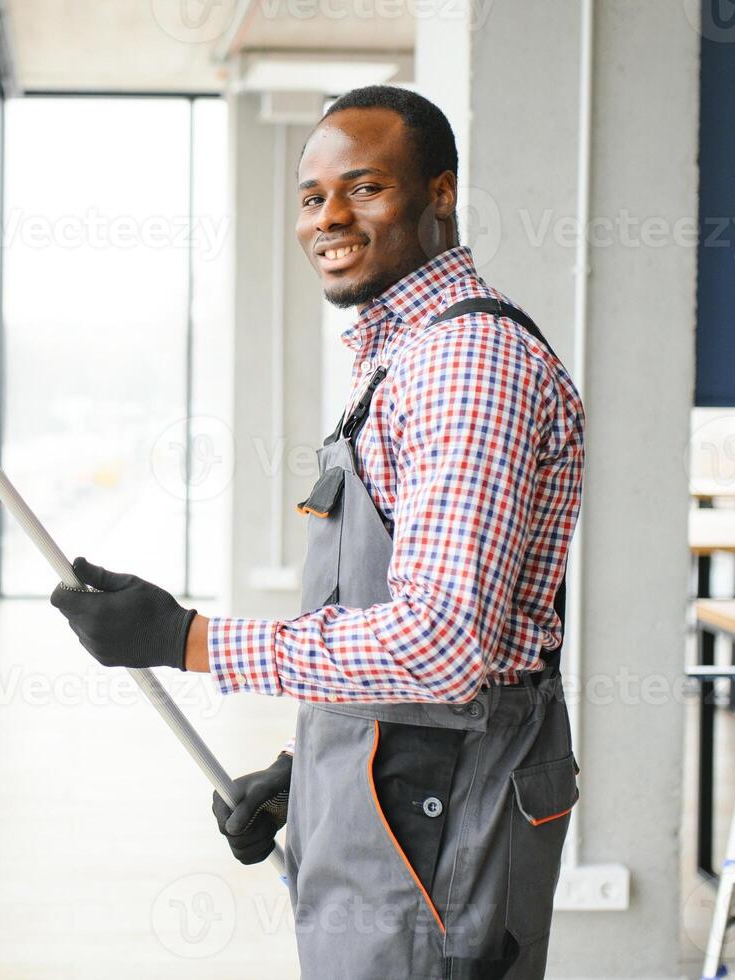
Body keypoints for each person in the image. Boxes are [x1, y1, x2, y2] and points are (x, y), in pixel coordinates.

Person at [49, 85, 584, 980]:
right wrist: (307, 761)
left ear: (440, 194)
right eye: (311, 196)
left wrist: (189, 641)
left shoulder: (464, 362)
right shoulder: (399, 351)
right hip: (390, 796)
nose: (327, 217)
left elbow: (442, 646)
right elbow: (380, 600)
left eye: (363, 188)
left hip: (440, 818)